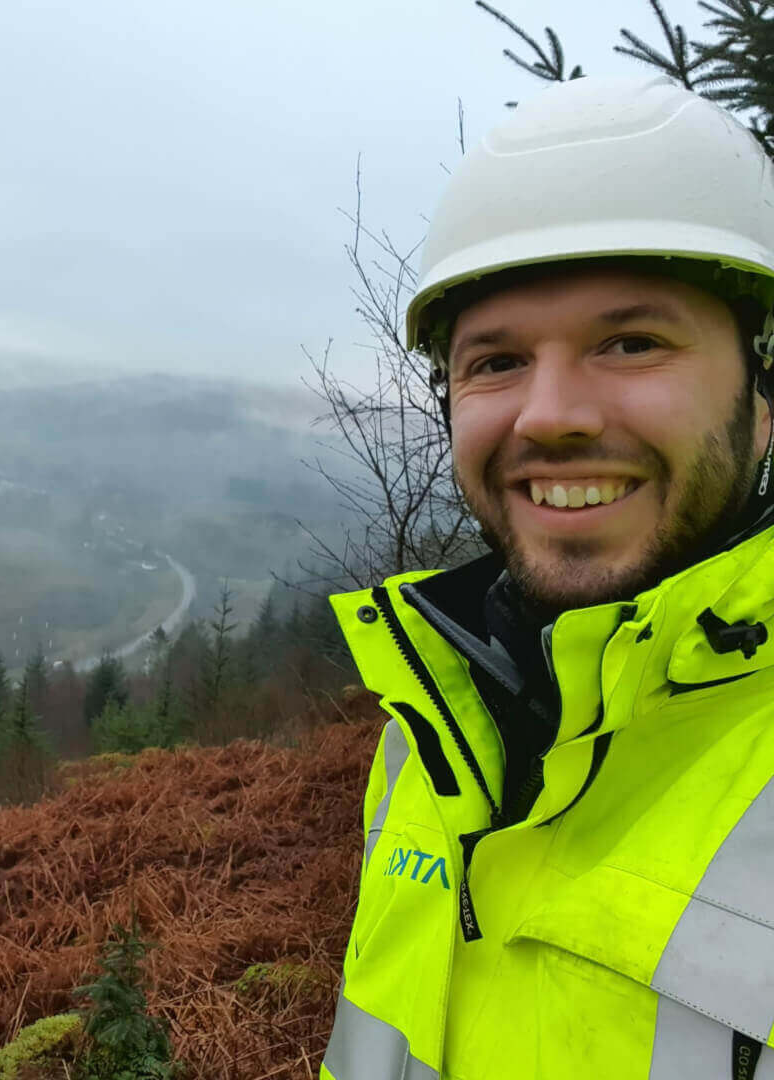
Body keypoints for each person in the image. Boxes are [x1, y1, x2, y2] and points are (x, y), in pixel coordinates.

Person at [321, 75, 774, 1080]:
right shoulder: (429, 742)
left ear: (763, 392)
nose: (548, 415)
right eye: (496, 361)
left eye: (630, 342)